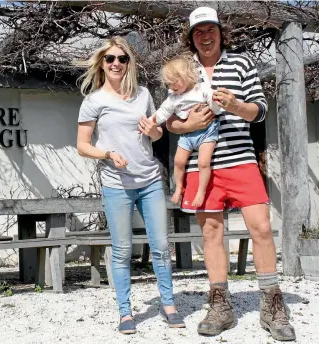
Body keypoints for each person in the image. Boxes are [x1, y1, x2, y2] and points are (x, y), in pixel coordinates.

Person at [166, 7, 296, 341]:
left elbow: (260, 110)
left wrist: (236, 106)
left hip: (240, 159)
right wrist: (188, 125)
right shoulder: (184, 68)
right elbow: (170, 119)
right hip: (200, 165)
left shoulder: (240, 63)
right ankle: (220, 304)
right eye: (198, 32)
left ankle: (272, 304)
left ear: (222, 33)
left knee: (262, 228)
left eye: (210, 30)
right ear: (191, 37)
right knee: (211, 233)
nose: (205, 37)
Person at [76, 36, 185, 334]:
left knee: (162, 246)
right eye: (110, 58)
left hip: (150, 180)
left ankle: (168, 304)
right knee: (122, 250)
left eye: (122, 59)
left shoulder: (143, 94)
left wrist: (155, 131)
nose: (115, 63)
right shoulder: (95, 100)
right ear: (102, 63)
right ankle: (125, 313)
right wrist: (108, 154)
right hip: (116, 184)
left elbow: (157, 135)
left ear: (129, 63)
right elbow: (82, 146)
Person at [147, 55, 222, 207]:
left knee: (203, 163)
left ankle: (201, 192)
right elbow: (163, 112)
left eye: (175, 81)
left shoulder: (201, 89)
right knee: (178, 162)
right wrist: (150, 122)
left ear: (187, 76)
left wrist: (215, 105)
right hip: (187, 135)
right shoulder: (174, 98)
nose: (172, 87)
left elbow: (213, 102)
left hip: (207, 131)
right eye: (169, 84)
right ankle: (179, 187)